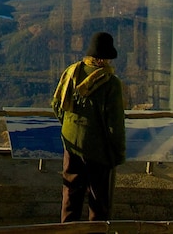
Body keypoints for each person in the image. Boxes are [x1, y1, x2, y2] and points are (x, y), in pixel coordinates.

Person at [51, 31, 126, 223]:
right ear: (107, 57)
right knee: (98, 199)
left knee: (71, 192)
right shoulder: (111, 84)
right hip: (98, 150)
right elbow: (115, 125)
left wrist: (70, 126)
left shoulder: (72, 72)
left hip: (71, 144)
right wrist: (118, 153)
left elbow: (57, 105)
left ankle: (67, 230)